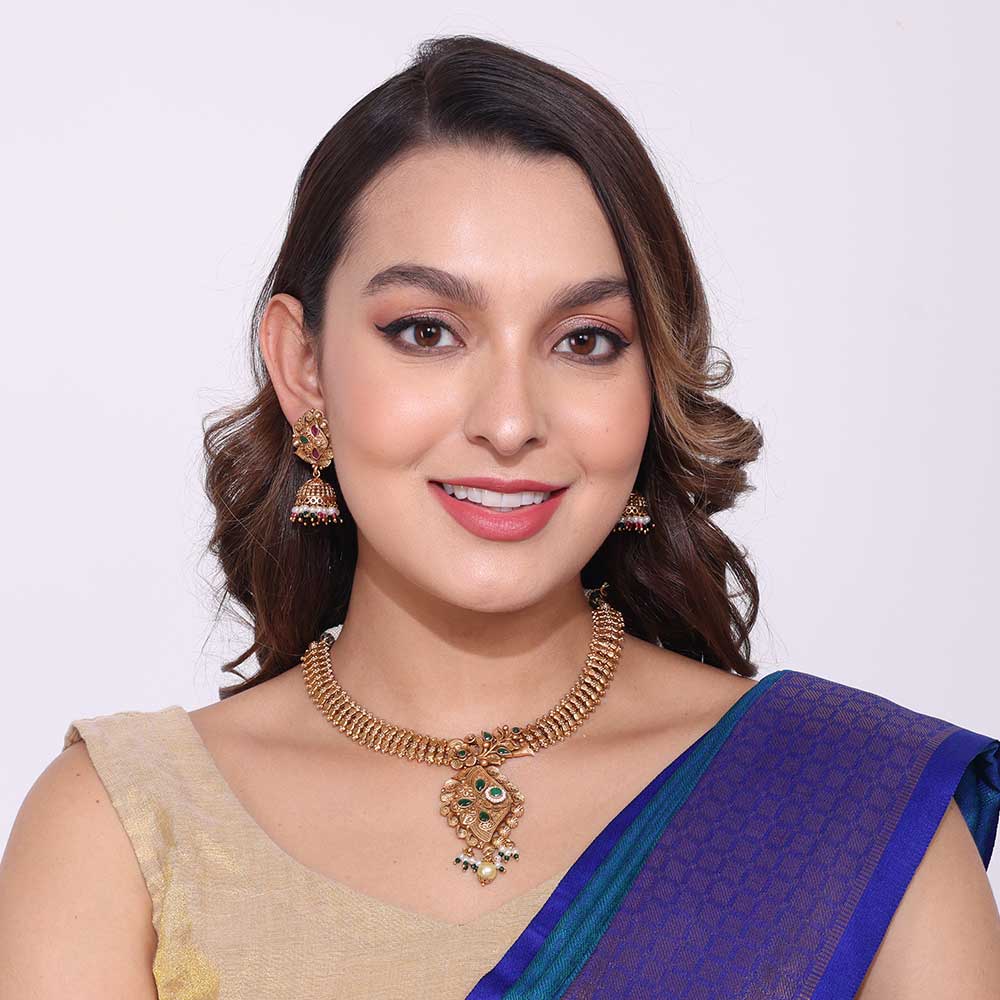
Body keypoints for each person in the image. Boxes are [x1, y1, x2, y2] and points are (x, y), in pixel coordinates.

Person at [1, 33, 997, 1000]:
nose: (511, 421)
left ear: (653, 378)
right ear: (303, 368)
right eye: (426, 332)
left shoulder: (848, 811)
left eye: (585, 340)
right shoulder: (120, 832)